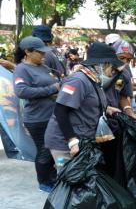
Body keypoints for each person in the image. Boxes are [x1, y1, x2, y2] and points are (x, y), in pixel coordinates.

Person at [44, 42, 122, 168]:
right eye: (112, 68)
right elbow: (60, 110)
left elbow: (87, 101)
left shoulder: (94, 80)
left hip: (83, 139)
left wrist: (106, 108)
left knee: (79, 180)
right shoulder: (78, 81)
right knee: (64, 175)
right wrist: (72, 141)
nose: (112, 73)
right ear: (102, 65)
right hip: (64, 145)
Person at [13, 36, 60, 192]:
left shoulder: (44, 67)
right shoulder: (22, 69)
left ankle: (53, 177)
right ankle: (44, 182)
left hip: (51, 115)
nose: (43, 55)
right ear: (28, 52)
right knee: (44, 150)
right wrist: (52, 89)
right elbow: (22, 91)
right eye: (40, 52)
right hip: (37, 118)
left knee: (52, 148)